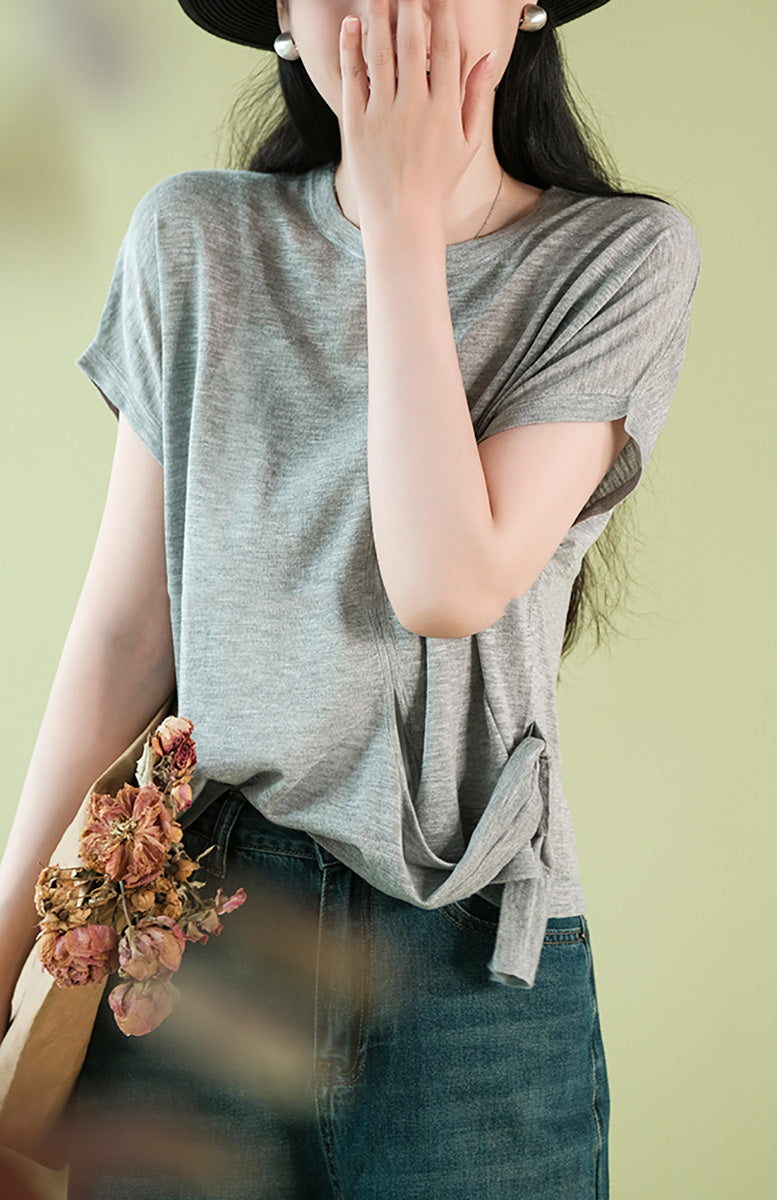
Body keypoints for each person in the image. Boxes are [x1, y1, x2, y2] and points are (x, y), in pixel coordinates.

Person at [0, 1, 702, 1196]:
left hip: (471, 969)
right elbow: (123, 640)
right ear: (282, 13)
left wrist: (401, 221)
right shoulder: (195, 239)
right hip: (192, 938)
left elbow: (445, 582)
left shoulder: (618, 259)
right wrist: (10, 941)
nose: (398, 13)